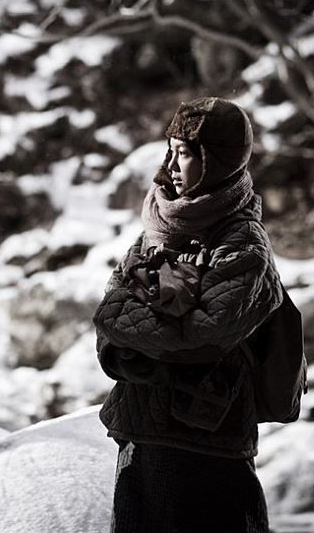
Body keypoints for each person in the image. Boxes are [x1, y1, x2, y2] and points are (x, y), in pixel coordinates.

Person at [93, 97, 284, 533]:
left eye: (185, 153)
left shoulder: (243, 243)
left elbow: (203, 332)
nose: (172, 165)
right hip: (139, 430)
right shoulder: (158, 229)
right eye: (171, 150)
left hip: (207, 443)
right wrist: (134, 342)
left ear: (216, 161)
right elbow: (108, 316)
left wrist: (131, 326)